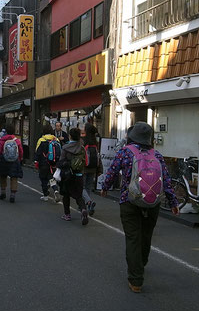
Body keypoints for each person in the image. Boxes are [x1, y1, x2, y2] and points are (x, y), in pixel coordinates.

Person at [101, 122, 179, 293]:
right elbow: (166, 181)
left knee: (133, 238)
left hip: (129, 201)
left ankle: (136, 280)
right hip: (153, 203)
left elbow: (112, 172)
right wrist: (173, 203)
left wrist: (105, 188)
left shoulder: (125, 152)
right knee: (146, 235)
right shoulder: (157, 155)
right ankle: (141, 263)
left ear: (132, 136)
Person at [57, 127, 88, 225]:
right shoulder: (82, 147)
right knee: (79, 195)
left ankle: (67, 214)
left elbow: (61, 161)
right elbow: (86, 161)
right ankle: (83, 209)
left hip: (68, 175)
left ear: (70, 136)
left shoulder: (65, 147)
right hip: (79, 174)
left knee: (66, 195)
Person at [0, 124, 23, 203]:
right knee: (14, 177)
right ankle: (12, 195)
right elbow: (20, 150)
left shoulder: (2, 140)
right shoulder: (16, 140)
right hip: (15, 161)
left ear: (6, 131)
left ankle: (3, 192)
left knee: (3, 176)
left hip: (4, 160)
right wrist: (20, 159)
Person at [34, 125, 61, 202]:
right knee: (51, 177)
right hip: (53, 163)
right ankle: (55, 190)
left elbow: (38, 152)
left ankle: (45, 195)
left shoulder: (41, 140)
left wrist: (36, 161)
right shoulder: (56, 140)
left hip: (43, 163)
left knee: (43, 179)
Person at [82, 123, 100, 215]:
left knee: (81, 187)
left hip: (84, 168)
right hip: (93, 168)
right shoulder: (95, 142)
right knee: (88, 187)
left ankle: (88, 202)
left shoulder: (84, 141)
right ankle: (87, 205)